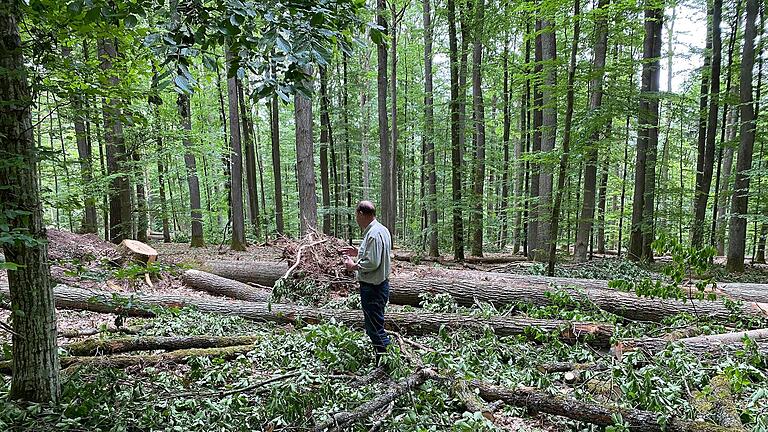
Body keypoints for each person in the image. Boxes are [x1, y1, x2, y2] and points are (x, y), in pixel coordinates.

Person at [341, 200, 392, 365]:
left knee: (374, 329)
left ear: (361, 214)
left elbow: (373, 263)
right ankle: (385, 360)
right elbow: (376, 252)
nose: (356, 218)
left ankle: (386, 363)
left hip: (373, 289)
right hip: (379, 286)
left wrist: (353, 266)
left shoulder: (373, 233)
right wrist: (358, 251)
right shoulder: (381, 229)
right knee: (376, 325)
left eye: (356, 214)